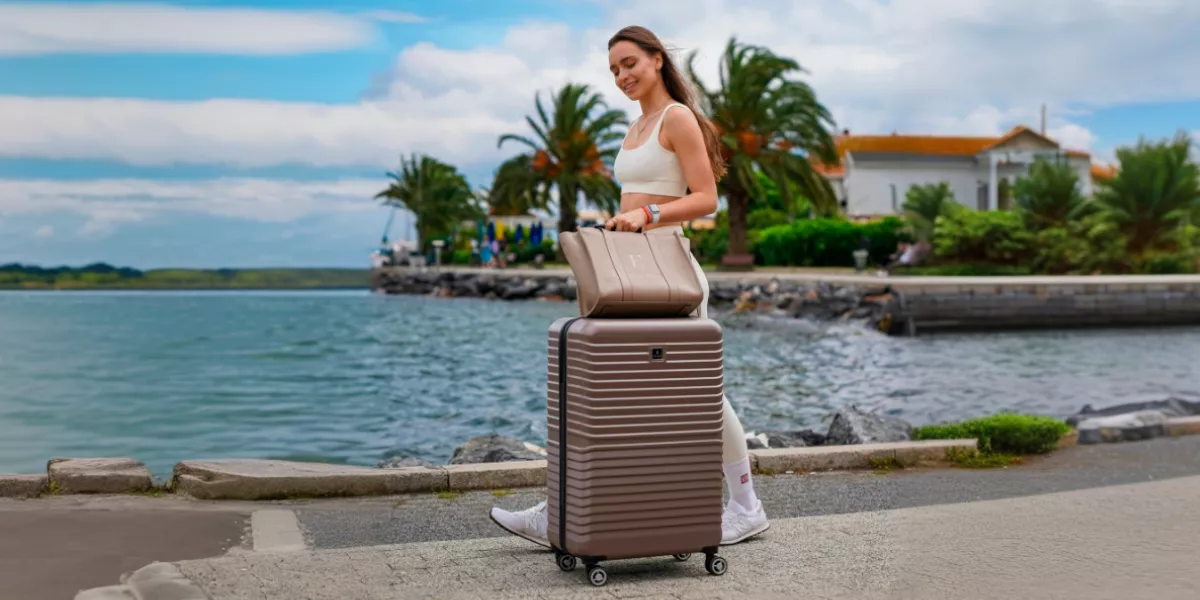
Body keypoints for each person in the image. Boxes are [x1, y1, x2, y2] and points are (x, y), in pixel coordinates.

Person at [488, 24, 769, 548]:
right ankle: (563, 510)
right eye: (614, 69)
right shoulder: (635, 128)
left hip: (669, 272)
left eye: (630, 63)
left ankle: (747, 506)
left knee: (705, 394)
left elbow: (706, 197)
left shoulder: (677, 117)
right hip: (631, 271)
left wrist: (648, 214)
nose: (622, 75)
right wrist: (622, 220)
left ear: (657, 60)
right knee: (606, 390)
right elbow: (636, 198)